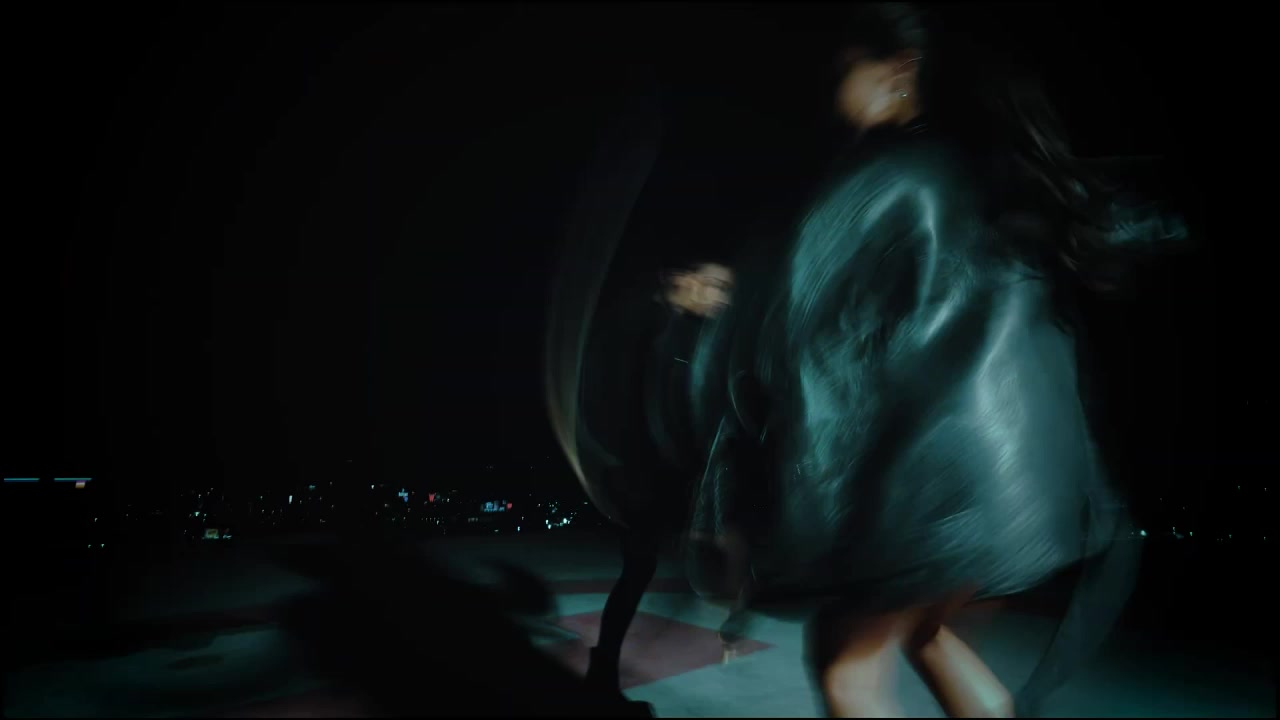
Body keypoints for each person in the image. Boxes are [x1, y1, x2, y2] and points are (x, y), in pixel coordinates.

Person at [683, 3, 1183, 717]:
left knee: (845, 670)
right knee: (928, 637)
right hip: (1021, 486)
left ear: (897, 69)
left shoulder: (881, 177)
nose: (828, 90)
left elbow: (796, 327)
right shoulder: (981, 172)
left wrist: (723, 311)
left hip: (939, 488)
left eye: (841, 69)